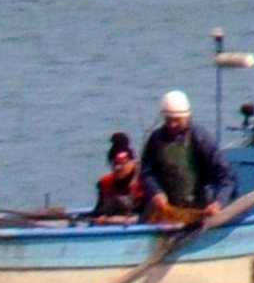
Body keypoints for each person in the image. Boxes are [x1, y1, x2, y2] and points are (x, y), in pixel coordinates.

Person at [140, 90, 234, 222]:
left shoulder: (201, 138)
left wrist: (218, 202)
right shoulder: (156, 139)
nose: (172, 125)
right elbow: (146, 173)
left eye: (177, 120)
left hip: (198, 211)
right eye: (168, 120)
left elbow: (225, 177)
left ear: (188, 117)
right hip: (165, 213)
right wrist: (156, 192)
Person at [89, 131, 146, 222]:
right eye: (115, 164)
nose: (118, 168)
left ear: (133, 163)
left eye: (123, 163)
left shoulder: (144, 181)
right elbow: (98, 212)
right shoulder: (104, 183)